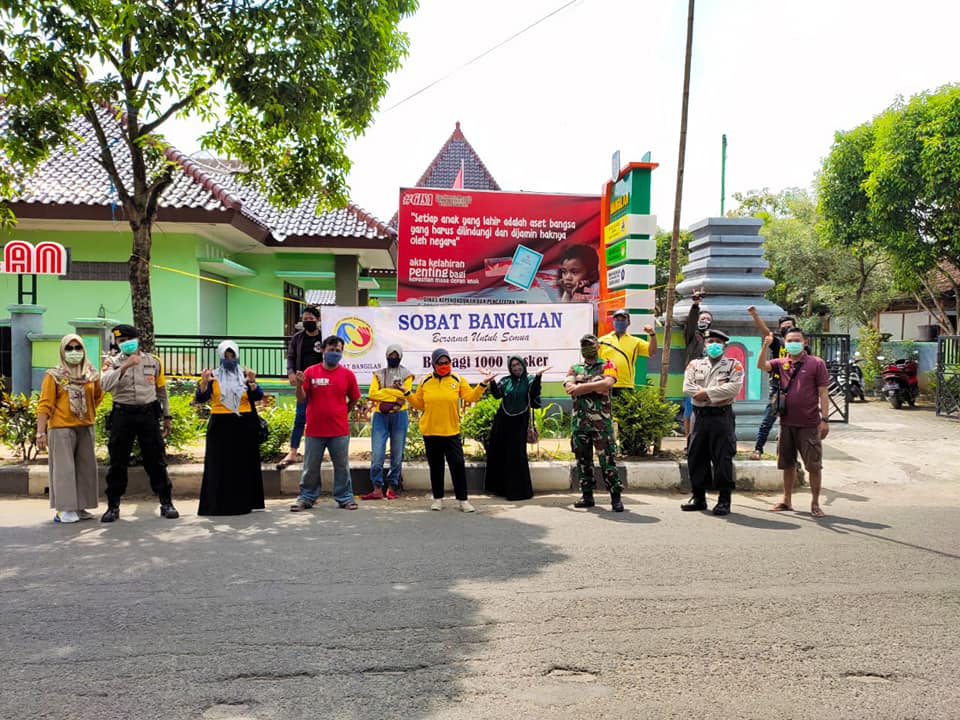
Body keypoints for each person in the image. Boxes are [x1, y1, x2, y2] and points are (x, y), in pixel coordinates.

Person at [100, 324, 178, 522]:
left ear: (137, 340)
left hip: (147, 414)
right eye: (120, 341)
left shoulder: (153, 361)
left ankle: (166, 502)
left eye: (128, 340)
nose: (125, 343)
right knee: (117, 461)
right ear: (116, 343)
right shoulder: (112, 362)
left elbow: (161, 391)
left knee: (156, 460)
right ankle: (113, 506)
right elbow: (104, 385)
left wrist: (167, 416)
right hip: (122, 415)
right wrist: (125, 366)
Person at [404, 348, 493, 512]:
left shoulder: (457, 379)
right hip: (431, 432)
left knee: (458, 465)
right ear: (434, 364)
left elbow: (470, 397)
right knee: (436, 467)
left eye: (447, 362)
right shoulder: (425, 381)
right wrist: (407, 393)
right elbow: (419, 404)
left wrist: (483, 384)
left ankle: (463, 501)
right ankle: (437, 499)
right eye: (440, 363)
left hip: (451, 431)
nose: (444, 365)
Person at [759, 327, 830, 518]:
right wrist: (765, 346)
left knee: (813, 465)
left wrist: (825, 419)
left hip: (809, 423)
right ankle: (786, 500)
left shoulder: (816, 363)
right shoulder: (781, 363)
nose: (793, 343)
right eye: (789, 340)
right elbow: (761, 366)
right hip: (786, 422)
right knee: (787, 463)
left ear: (805, 342)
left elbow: (823, 392)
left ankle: (815, 503)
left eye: (797, 340)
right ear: (785, 343)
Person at [36, 334, 104, 523]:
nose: (74, 352)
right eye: (69, 348)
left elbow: (98, 396)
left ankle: (81, 507)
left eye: (78, 348)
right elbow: (44, 404)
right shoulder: (54, 376)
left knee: (86, 468)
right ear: (62, 351)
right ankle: (64, 509)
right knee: (64, 470)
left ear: (84, 350)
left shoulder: (92, 374)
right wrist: (40, 431)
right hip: (61, 428)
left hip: (85, 426)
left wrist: (84, 412)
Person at [290, 335, 361, 511]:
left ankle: (345, 497)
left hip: (339, 430)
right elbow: (301, 399)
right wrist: (299, 386)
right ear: (322, 350)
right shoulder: (310, 372)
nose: (335, 353)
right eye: (331, 350)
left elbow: (354, 398)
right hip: (315, 430)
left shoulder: (348, 375)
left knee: (342, 466)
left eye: (338, 351)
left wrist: (344, 411)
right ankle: (306, 497)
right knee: (310, 467)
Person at [195, 341, 265, 516]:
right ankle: (217, 504)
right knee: (218, 464)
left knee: (243, 464)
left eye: (232, 356)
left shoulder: (244, 374)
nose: (229, 360)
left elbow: (258, 396)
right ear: (220, 357)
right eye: (226, 356)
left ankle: (244, 503)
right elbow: (201, 398)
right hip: (220, 424)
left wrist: (253, 382)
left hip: (244, 423)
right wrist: (204, 384)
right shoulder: (213, 376)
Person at [681, 329, 744, 516]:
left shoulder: (734, 365)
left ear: (725, 345)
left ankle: (724, 500)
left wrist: (706, 394)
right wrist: (715, 394)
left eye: (718, 342)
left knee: (722, 457)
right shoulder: (695, 364)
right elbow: (687, 386)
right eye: (710, 341)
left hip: (721, 417)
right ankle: (698, 497)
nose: (713, 345)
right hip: (699, 417)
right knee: (696, 456)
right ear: (705, 345)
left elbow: (733, 388)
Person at [565, 334, 622, 512]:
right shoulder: (574, 368)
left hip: (601, 424)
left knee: (608, 461)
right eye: (584, 345)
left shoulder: (608, 365)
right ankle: (587, 496)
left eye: (590, 345)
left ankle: (615, 498)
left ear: (598, 346)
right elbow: (569, 388)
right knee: (583, 461)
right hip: (580, 424)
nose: (587, 348)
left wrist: (581, 387)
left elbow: (607, 384)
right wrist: (594, 385)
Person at [484, 356, 549, 501]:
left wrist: (539, 376)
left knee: (517, 455)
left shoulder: (530, 379)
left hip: (520, 422)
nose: (516, 368)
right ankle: (500, 489)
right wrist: (491, 380)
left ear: (523, 365)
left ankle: (519, 492)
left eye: (518, 364)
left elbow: (534, 394)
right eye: (513, 366)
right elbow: (496, 395)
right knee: (500, 453)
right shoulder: (506, 381)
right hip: (502, 421)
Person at [361, 344, 414, 501]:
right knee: (377, 453)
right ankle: (377, 488)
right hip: (380, 416)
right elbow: (372, 394)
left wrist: (383, 392)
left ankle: (392, 486)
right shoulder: (379, 374)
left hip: (400, 415)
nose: (393, 358)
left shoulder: (407, 375)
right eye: (390, 355)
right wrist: (394, 394)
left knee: (397, 453)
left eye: (396, 355)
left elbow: (405, 395)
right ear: (386, 355)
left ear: (401, 356)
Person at [747, 308, 801, 459]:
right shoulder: (778, 343)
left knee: (794, 423)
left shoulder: (803, 347)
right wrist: (754, 315)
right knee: (768, 419)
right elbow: (765, 332)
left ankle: (791, 456)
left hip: (796, 390)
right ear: (780, 329)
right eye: (784, 326)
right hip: (778, 389)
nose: (787, 328)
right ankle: (758, 449)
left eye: (790, 326)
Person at [277, 306, 323, 470]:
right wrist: (290, 373)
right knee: (300, 417)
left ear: (317, 320)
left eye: (311, 319)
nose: (308, 322)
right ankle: (293, 451)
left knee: (323, 417)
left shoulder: (325, 338)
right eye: (305, 319)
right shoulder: (297, 338)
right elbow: (291, 358)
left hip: (322, 383)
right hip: (303, 382)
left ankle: (325, 451)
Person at [598, 308, 657, 395]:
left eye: (623, 320)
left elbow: (651, 351)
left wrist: (652, 335)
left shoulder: (635, 341)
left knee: (625, 408)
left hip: (626, 385)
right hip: (606, 384)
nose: (620, 322)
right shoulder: (602, 340)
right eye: (617, 320)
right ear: (613, 322)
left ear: (628, 322)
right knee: (607, 408)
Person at [682, 289, 712, 438]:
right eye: (702, 318)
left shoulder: (711, 340)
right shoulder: (693, 337)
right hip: (693, 377)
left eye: (708, 319)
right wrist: (695, 305)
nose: (704, 321)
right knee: (689, 409)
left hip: (710, 378)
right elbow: (691, 323)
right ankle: (689, 440)